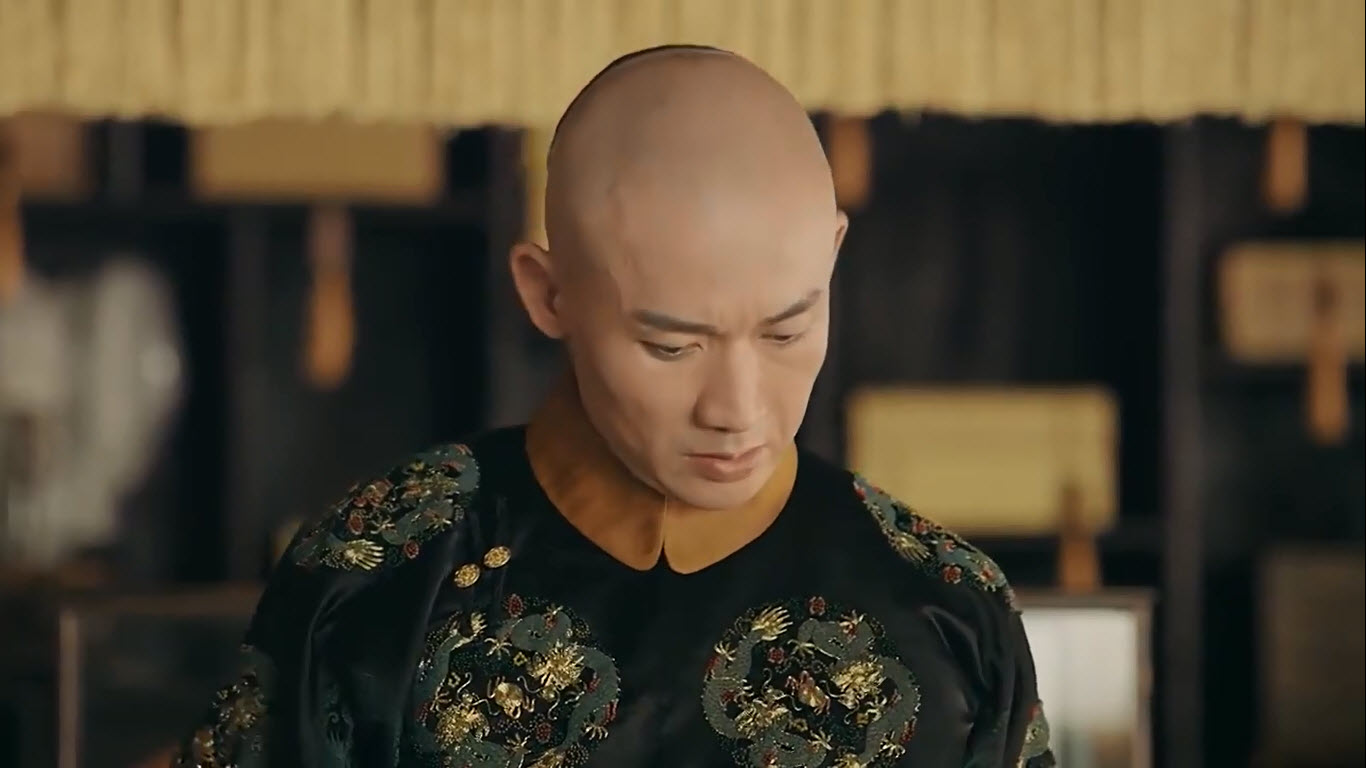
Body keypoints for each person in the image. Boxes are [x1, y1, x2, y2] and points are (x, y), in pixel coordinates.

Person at [174, 45, 1054, 768]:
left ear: (832, 257)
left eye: (786, 332)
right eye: (672, 346)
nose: (737, 408)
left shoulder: (945, 605)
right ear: (547, 293)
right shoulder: (383, 570)